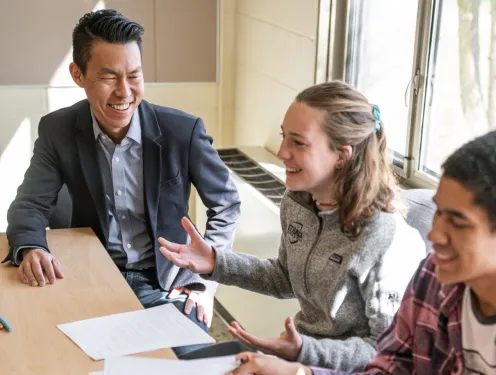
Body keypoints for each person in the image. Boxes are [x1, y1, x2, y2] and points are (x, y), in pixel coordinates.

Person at [3, 9, 241, 356]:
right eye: (109, 77)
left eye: (134, 75)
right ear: (78, 75)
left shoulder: (182, 132)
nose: (124, 91)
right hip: (89, 275)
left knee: (184, 364)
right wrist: (32, 247)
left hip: (167, 286)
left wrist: (206, 279)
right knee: (51, 354)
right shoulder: (58, 130)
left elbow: (226, 204)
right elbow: (30, 203)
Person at [158, 80, 426, 371]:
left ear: (342, 156)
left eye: (298, 142)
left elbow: (387, 352)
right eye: (284, 137)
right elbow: (284, 278)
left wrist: (304, 351)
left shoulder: (386, 238)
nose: (282, 152)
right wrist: (216, 262)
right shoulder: (298, 202)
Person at [226, 129, 496, 375]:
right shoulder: (433, 276)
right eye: (439, 212)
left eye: (458, 222)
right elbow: (390, 366)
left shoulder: (388, 238)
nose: (434, 234)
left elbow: (375, 349)